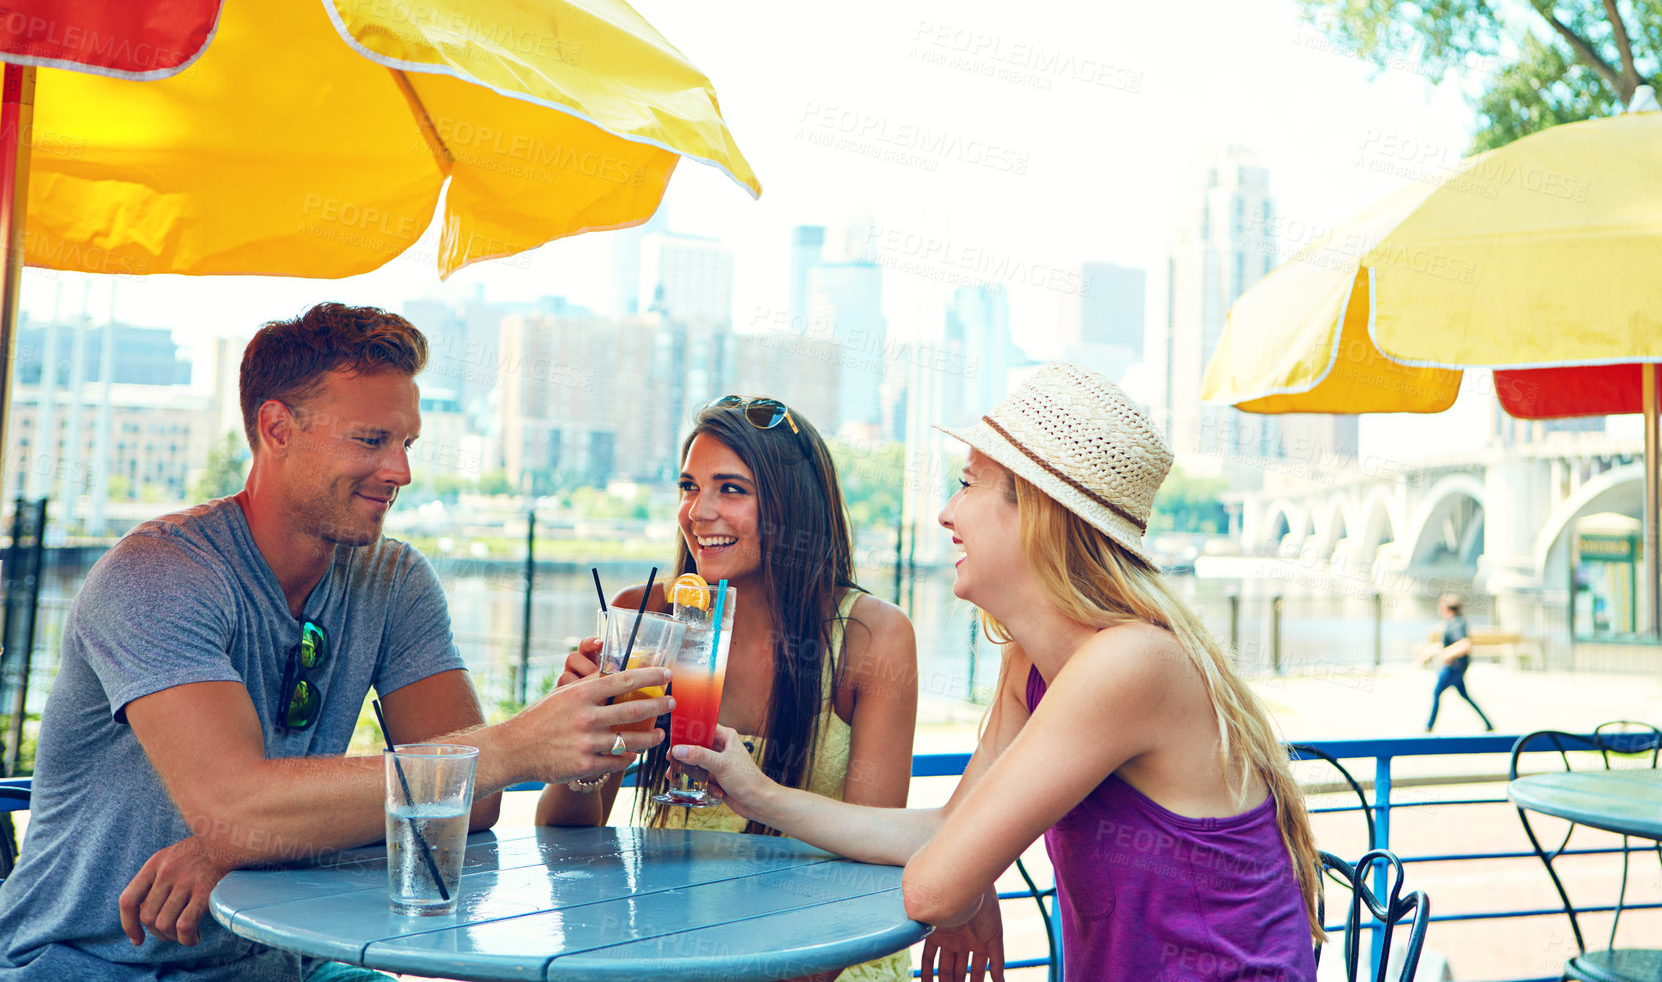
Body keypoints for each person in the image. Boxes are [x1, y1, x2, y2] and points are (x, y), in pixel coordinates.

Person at [0, 304, 670, 982]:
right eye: (372, 439)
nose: (401, 470)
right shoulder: (159, 575)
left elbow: (474, 804)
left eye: (406, 442)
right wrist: (515, 744)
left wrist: (243, 847)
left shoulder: (393, 578)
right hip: (90, 961)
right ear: (277, 429)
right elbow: (235, 806)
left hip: (278, 963)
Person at [674, 364, 1323, 981]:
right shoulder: (1034, 663)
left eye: (966, 483)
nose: (946, 514)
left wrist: (963, 886)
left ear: (1034, 509)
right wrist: (755, 791)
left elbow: (935, 886)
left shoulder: (1131, 663)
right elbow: (944, 834)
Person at [536, 395, 919, 982]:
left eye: (731, 489)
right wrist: (584, 746)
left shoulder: (870, 636)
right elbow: (565, 833)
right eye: (689, 487)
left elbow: (873, 863)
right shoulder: (644, 616)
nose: (698, 511)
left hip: (825, 955)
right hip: (673, 947)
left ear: (794, 509)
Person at [1420, 593, 1494, 733]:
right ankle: (1488, 723)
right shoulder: (1457, 622)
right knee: (1465, 695)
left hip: (1454, 667)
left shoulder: (1456, 623)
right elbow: (1450, 644)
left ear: (1446, 608)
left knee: (1437, 692)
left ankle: (1429, 727)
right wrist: (1431, 652)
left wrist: (1446, 654)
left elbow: (1465, 644)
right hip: (1458, 667)